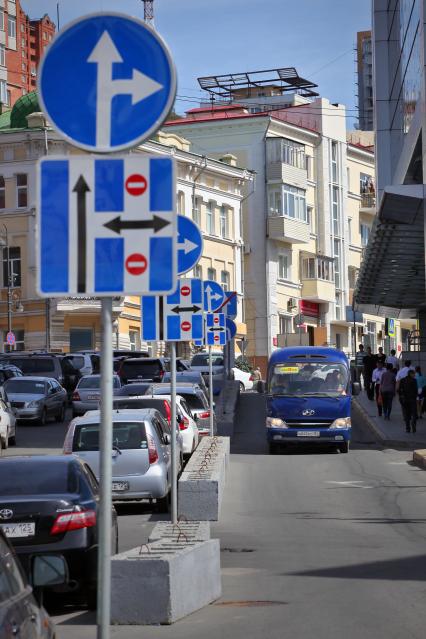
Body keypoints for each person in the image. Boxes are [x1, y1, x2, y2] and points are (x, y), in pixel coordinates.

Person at [399, 369, 418, 433]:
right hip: (412, 399)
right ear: (410, 374)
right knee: (414, 413)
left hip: (405, 400)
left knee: (407, 414)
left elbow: (400, 390)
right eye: (413, 374)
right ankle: (413, 423)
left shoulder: (402, 380)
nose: (414, 375)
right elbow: (416, 390)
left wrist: (401, 397)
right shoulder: (414, 380)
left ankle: (407, 428)